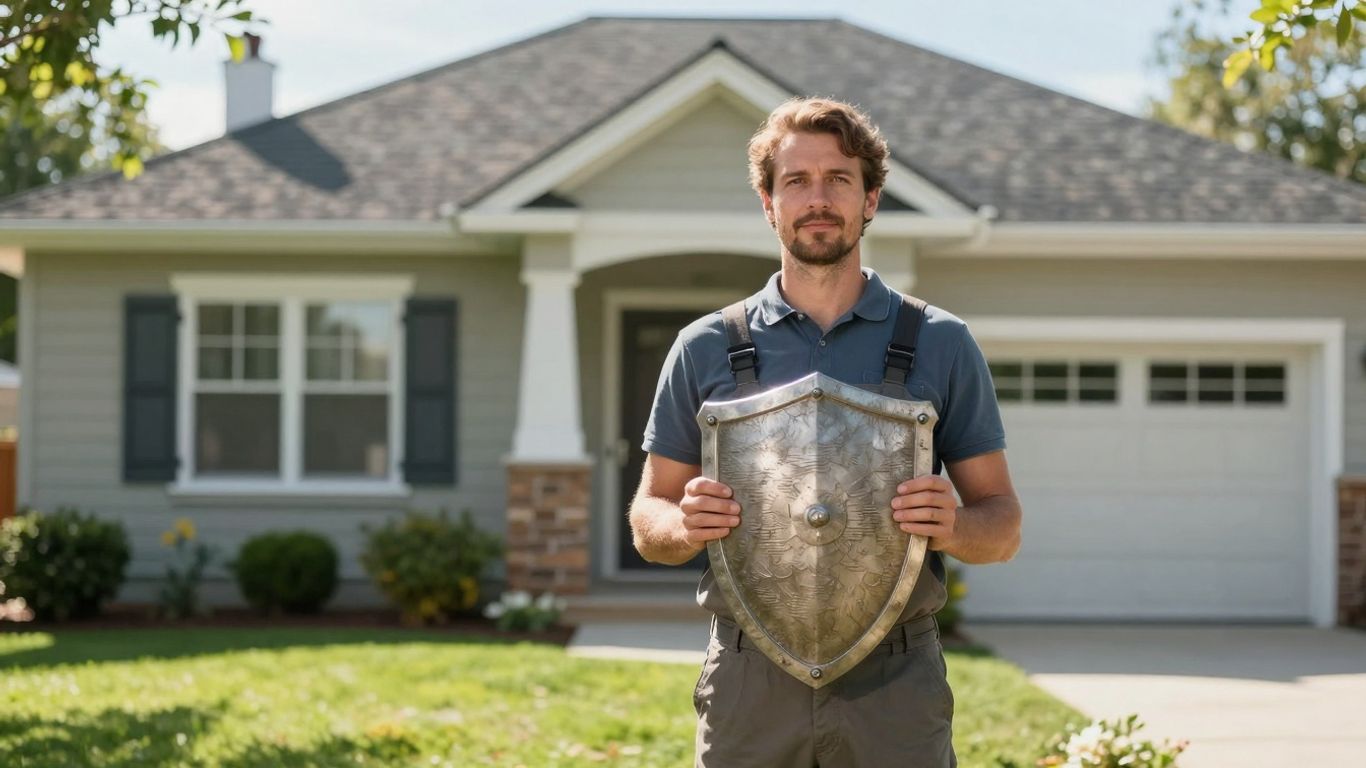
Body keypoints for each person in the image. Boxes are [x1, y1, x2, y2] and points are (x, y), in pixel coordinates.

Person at [628, 96, 1022, 768]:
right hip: (749, 680)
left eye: (838, 179)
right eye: (796, 181)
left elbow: (1003, 522)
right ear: (768, 203)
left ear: (870, 199)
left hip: (898, 682)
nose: (818, 199)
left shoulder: (940, 342)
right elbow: (648, 515)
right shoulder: (706, 347)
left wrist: (955, 526)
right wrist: (681, 525)